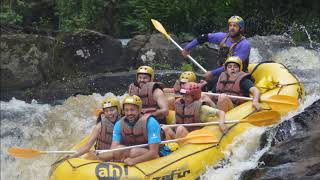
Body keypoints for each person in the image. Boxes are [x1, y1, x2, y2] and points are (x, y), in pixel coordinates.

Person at [181, 16, 251, 89]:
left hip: (237, 75)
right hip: (222, 73)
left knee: (210, 84)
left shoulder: (244, 45)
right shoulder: (223, 37)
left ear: (241, 28)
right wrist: (187, 48)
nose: (232, 28)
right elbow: (203, 37)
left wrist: (212, 73)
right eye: (230, 25)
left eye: (235, 26)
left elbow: (233, 65)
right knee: (203, 85)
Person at [107, 95, 168, 166]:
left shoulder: (151, 122)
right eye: (126, 110)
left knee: (134, 152)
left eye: (132, 110)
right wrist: (98, 157)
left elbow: (153, 153)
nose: (129, 113)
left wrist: (134, 161)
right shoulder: (119, 124)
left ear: (139, 110)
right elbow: (113, 149)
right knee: (118, 150)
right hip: (135, 152)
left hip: (157, 154)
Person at [162, 82, 227, 140]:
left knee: (180, 128)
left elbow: (221, 112)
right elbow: (175, 123)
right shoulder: (180, 105)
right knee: (165, 128)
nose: (184, 98)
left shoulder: (201, 108)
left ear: (194, 96)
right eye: (183, 95)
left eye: (187, 96)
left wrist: (221, 123)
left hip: (195, 137)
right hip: (180, 136)